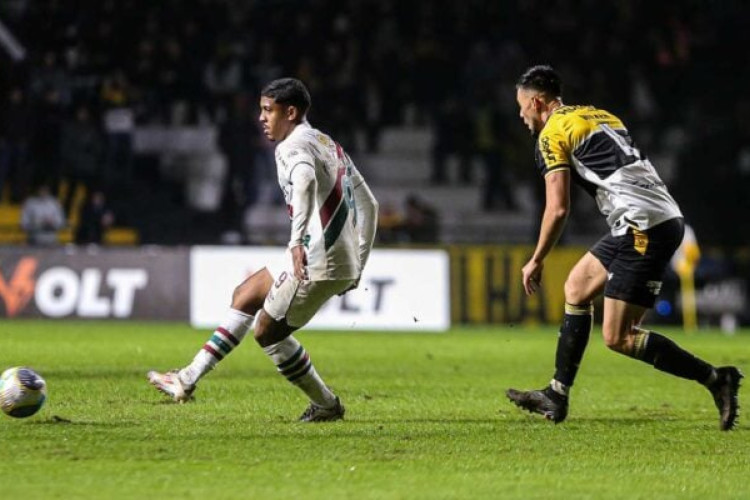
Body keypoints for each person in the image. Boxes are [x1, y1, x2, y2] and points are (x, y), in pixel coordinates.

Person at [505, 65, 742, 431]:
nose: (521, 116)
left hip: (642, 224)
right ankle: (556, 392)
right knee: (577, 287)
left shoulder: (551, 134)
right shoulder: (598, 115)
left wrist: (536, 259)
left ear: (536, 102)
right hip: (651, 216)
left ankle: (715, 379)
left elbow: (558, 207)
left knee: (619, 336)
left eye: (521, 107)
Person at [148, 78, 379, 422]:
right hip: (331, 253)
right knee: (246, 293)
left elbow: (304, 182)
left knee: (267, 332)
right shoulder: (328, 143)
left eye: (268, 110)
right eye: (260, 109)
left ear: (290, 112)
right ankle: (185, 379)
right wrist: (357, 262)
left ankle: (327, 405)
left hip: (316, 256)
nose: (261, 117)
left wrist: (296, 242)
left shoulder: (291, 147)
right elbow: (370, 204)